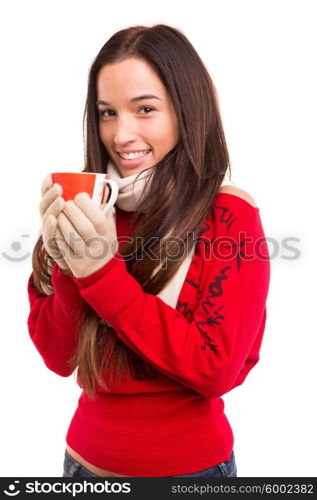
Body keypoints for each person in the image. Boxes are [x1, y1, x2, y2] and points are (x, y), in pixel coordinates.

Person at [27, 24, 270, 478]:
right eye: (107, 113)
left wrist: (100, 272)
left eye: (145, 109)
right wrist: (66, 261)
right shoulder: (90, 208)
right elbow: (59, 359)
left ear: (185, 111)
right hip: (81, 466)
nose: (121, 135)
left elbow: (215, 368)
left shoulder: (230, 218)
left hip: (191, 474)